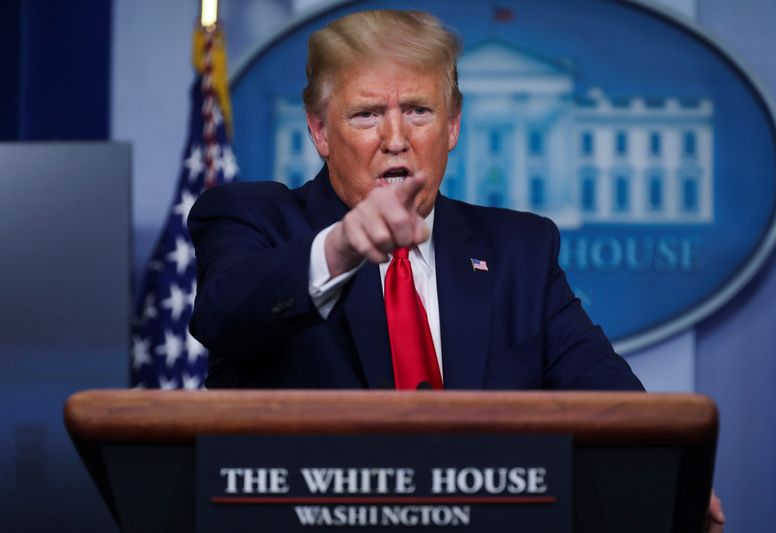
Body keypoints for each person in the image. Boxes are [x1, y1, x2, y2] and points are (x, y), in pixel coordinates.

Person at [188, 10, 723, 528]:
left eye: (418, 110)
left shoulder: (520, 250)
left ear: (452, 127)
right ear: (320, 132)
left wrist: (672, 483)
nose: (395, 138)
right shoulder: (252, 219)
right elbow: (225, 314)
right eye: (366, 114)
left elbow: (608, 398)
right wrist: (343, 245)